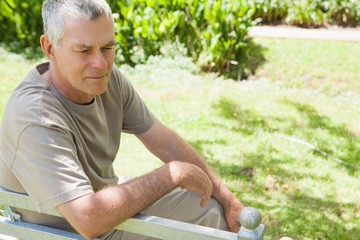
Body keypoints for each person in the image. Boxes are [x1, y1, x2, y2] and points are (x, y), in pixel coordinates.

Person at [0, 0, 244, 239]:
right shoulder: (36, 116)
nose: (100, 63)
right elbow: (88, 220)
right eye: (84, 50)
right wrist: (172, 174)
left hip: (103, 213)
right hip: (70, 232)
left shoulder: (107, 80)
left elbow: (164, 141)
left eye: (108, 47)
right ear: (50, 48)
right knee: (208, 219)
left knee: (207, 203)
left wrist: (229, 200)